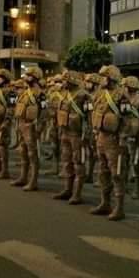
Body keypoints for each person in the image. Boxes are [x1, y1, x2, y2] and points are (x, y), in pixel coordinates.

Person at [89, 65, 130, 220]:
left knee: (117, 174)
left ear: (112, 78)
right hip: (101, 137)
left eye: (105, 77)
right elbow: (95, 113)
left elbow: (127, 119)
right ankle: (105, 203)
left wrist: (123, 137)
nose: (102, 80)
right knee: (103, 172)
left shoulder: (121, 95)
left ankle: (119, 208)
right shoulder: (100, 94)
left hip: (114, 140)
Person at [54, 70, 91, 204]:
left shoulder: (84, 96)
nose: (63, 83)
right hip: (65, 132)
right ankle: (67, 189)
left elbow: (89, 118)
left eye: (65, 80)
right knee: (67, 161)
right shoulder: (65, 94)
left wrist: (86, 135)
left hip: (77, 134)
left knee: (78, 163)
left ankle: (77, 193)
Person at [11, 66, 47, 191]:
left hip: (31, 126)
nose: (26, 77)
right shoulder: (25, 92)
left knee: (32, 154)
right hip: (22, 125)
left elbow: (43, 112)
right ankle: (23, 176)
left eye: (29, 75)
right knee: (23, 152)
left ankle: (33, 180)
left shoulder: (40, 94)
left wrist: (39, 128)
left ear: (35, 77)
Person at [122, 76, 139, 199]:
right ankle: (124, 185)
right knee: (123, 161)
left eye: (126, 86)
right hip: (124, 134)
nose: (124, 88)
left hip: (136, 136)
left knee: (136, 163)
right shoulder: (123, 100)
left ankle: (138, 188)